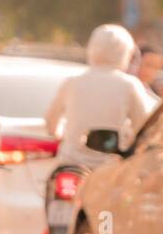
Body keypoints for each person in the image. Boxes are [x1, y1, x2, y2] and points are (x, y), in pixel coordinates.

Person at [44, 23, 156, 167]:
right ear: (125, 53)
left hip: (69, 163)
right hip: (109, 167)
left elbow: (50, 123)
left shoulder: (72, 82)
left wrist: (60, 135)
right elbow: (143, 126)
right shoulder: (129, 85)